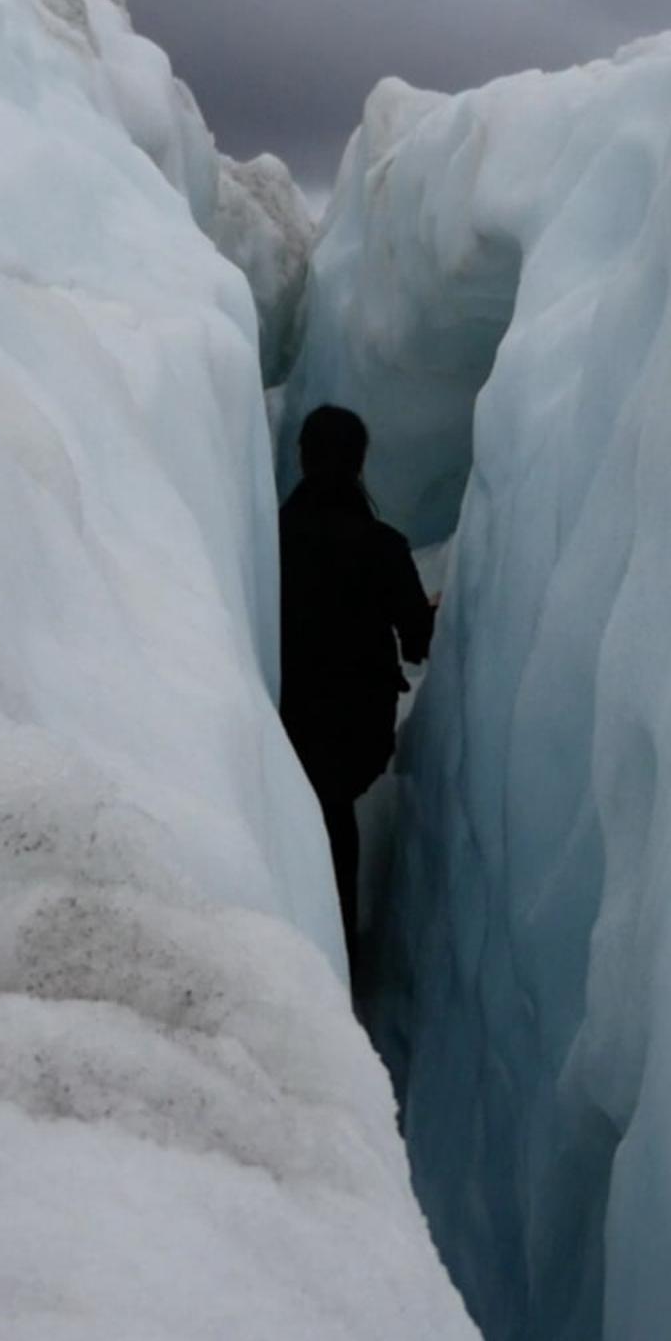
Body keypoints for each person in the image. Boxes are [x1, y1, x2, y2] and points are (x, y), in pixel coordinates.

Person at [278, 404, 434, 991]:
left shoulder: (272, 538)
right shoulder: (382, 545)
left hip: (288, 719)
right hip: (356, 730)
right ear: (360, 461)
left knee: (306, 813)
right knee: (335, 815)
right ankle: (338, 963)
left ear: (301, 457)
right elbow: (417, 638)